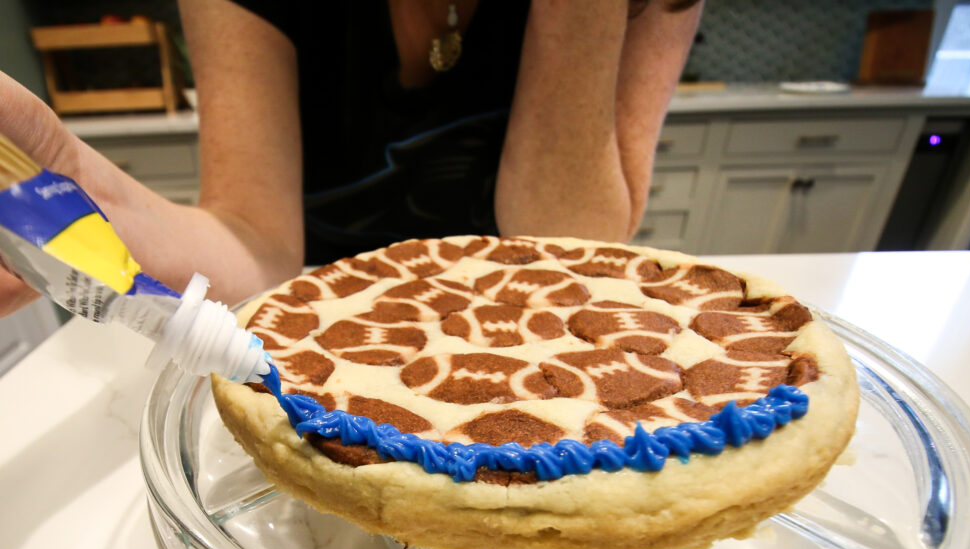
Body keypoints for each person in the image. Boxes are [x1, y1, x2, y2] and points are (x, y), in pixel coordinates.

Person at [0, 0, 701, 317]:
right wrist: (69, 183)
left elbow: (567, 251)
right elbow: (255, 242)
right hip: (322, 337)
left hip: (529, 336)